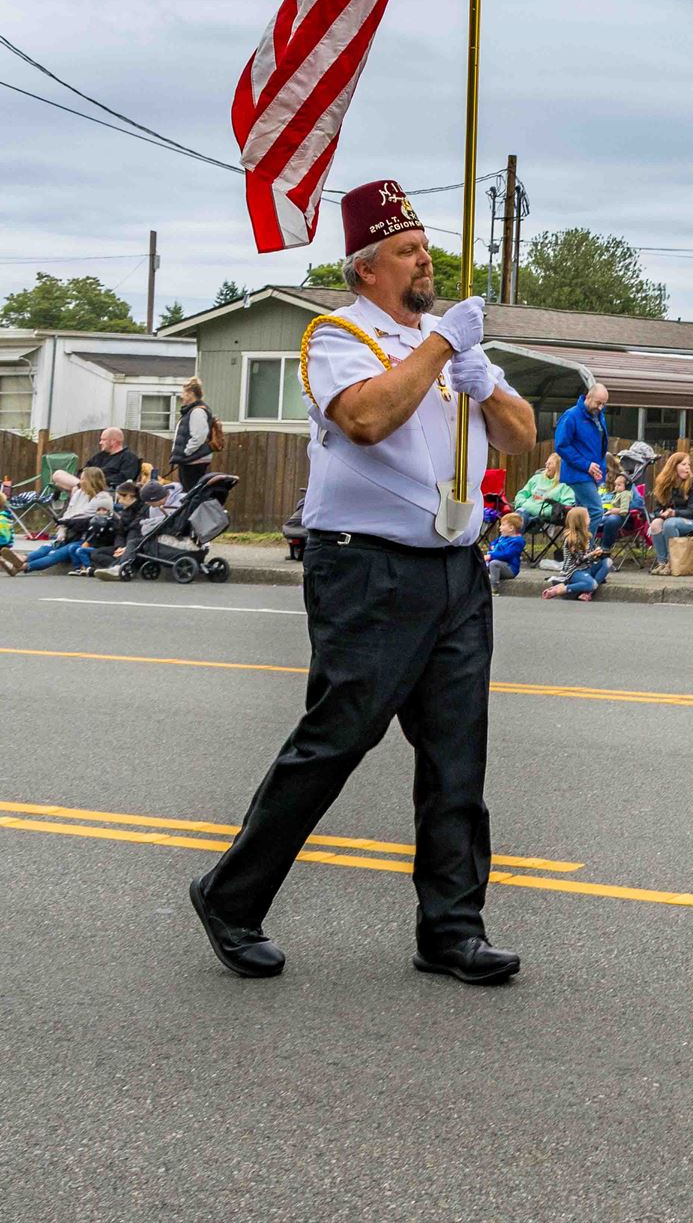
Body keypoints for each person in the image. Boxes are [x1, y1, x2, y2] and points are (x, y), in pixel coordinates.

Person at [190, 180, 536, 986]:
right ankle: (230, 897)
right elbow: (367, 419)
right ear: (366, 268)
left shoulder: (451, 343)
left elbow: (518, 438)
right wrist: (442, 349)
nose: (426, 262)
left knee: (457, 756)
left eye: (426, 249)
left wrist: (481, 375)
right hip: (368, 568)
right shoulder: (337, 335)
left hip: (454, 568)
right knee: (337, 740)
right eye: (409, 251)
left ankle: (451, 929)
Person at [23, 466, 114, 573]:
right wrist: (62, 531)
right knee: (46, 548)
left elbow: (80, 517)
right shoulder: (80, 493)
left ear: (92, 481)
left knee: (55, 555)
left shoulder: (103, 499)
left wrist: (64, 523)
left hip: (87, 538)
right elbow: (69, 513)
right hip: (71, 533)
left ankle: (24, 567)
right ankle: (21, 559)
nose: (80, 481)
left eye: (83, 479)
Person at [551, 380, 610, 538]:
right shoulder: (571, 416)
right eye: (598, 403)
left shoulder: (598, 416)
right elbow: (561, 446)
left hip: (592, 472)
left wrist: (601, 470)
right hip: (578, 473)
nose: (600, 407)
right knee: (596, 510)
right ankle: (584, 550)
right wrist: (586, 465)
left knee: (580, 515)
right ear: (588, 397)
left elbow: (599, 447)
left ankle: (573, 552)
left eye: (604, 404)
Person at [514, 453, 580, 559]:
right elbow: (520, 495)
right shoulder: (536, 479)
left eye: (550, 463)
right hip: (526, 514)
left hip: (545, 519)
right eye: (547, 462)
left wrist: (529, 506)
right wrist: (529, 506)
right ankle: (508, 550)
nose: (546, 465)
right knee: (519, 516)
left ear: (558, 466)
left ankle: (508, 550)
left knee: (520, 516)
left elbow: (565, 507)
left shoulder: (565, 484)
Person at [649, 452, 693, 570]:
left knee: (670, 523)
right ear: (674, 467)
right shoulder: (664, 485)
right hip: (669, 520)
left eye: (689, 465)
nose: (687, 467)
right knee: (655, 524)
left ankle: (672, 563)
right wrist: (659, 514)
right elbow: (656, 510)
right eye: (684, 464)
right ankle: (662, 563)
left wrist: (674, 513)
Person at [52, 427, 143, 494]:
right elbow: (84, 470)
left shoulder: (129, 458)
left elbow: (125, 478)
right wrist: (84, 481)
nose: (100, 443)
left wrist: (97, 481)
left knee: (73, 488)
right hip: (87, 485)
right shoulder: (100, 456)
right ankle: (81, 487)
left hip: (106, 489)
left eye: (103, 440)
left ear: (113, 441)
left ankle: (80, 489)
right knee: (58, 474)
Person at [170, 377, 220, 483]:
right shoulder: (191, 411)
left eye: (183, 392)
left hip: (194, 461)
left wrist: (186, 452)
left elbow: (199, 437)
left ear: (191, 393)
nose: (181, 396)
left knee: (190, 492)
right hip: (192, 460)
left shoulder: (197, 411)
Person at [487, 512, 527, 588]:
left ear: (511, 528)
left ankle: (494, 586)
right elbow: (494, 542)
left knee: (494, 563)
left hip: (510, 569)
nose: (500, 527)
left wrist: (491, 556)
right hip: (500, 565)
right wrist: (493, 546)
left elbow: (507, 555)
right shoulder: (503, 537)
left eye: (503, 525)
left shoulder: (517, 542)